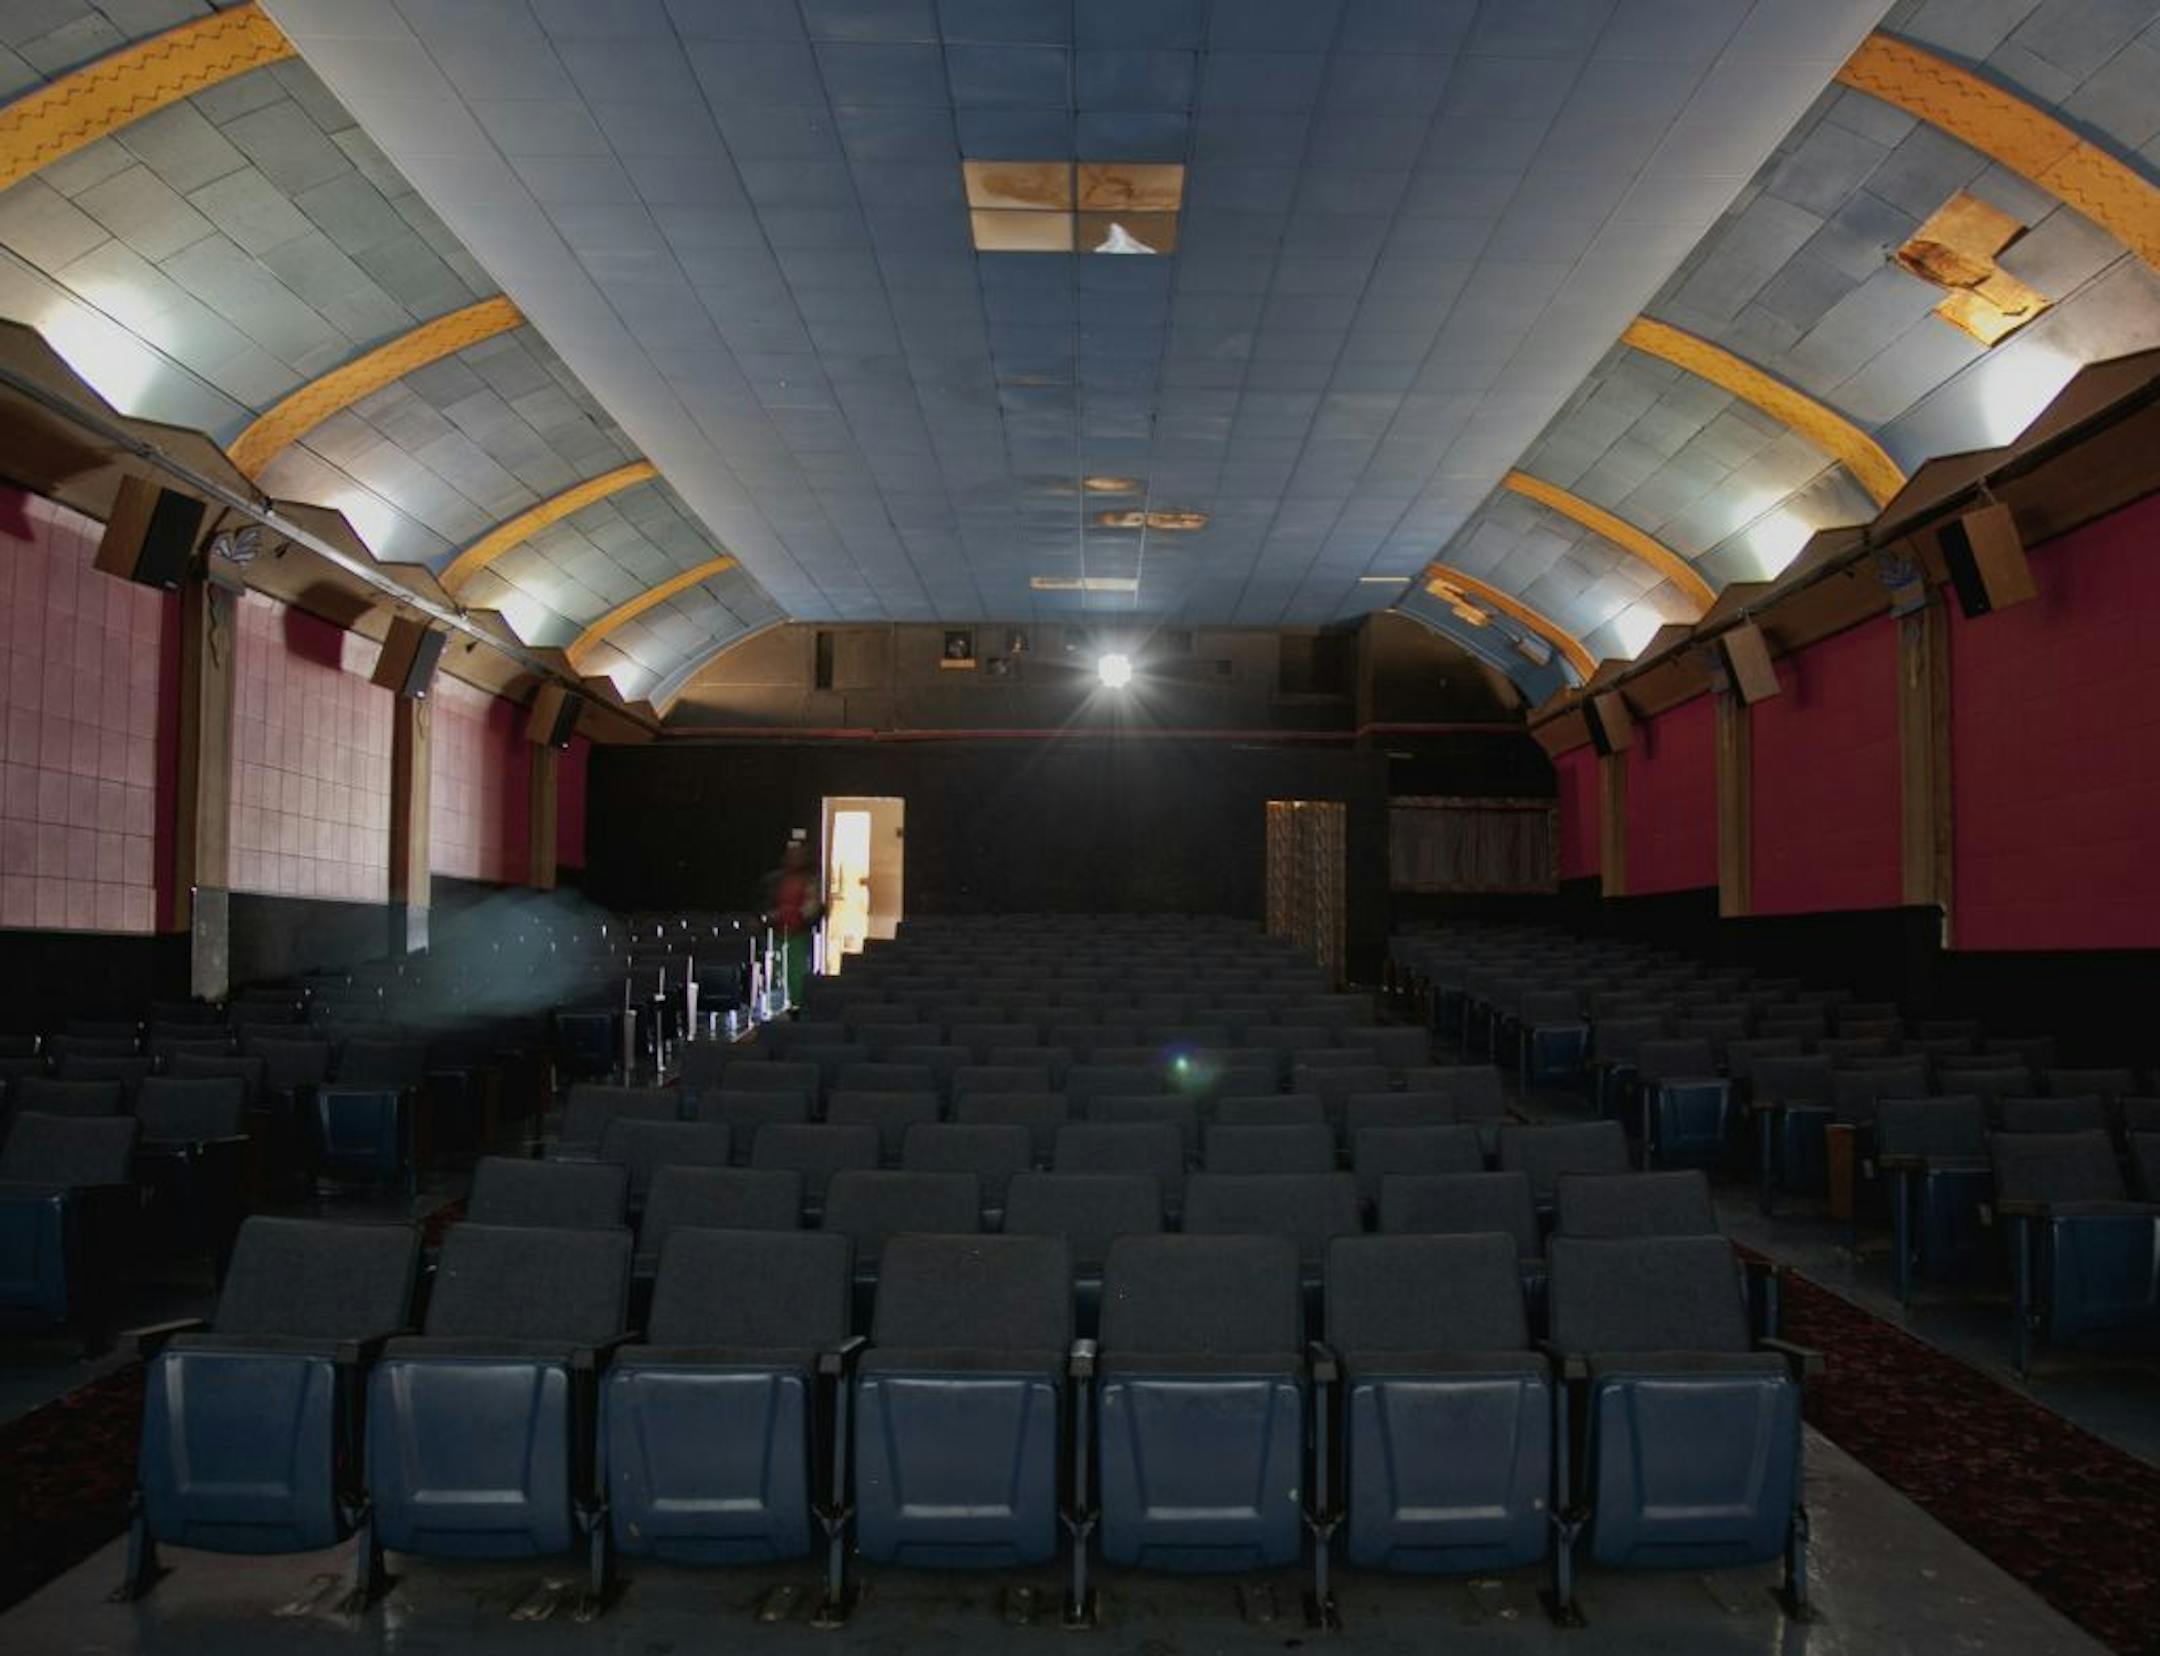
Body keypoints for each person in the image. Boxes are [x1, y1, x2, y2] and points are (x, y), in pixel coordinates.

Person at [767, 839, 823, 1014]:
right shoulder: (775, 880)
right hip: (776, 934)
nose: (794, 859)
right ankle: (776, 1008)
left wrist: (803, 913)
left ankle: (797, 1008)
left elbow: (814, 908)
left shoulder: (811, 880)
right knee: (775, 972)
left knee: (797, 975)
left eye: (798, 856)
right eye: (791, 856)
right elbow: (766, 904)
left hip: (798, 935)